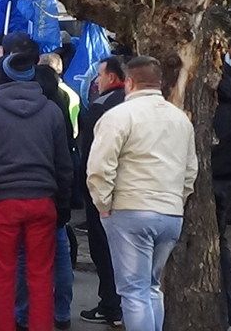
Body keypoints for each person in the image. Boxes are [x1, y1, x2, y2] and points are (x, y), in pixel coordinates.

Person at [87, 55, 197, 331]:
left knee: (133, 291)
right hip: (170, 210)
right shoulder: (180, 118)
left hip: (130, 208)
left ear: (129, 82)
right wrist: (177, 199)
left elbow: (100, 166)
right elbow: (190, 170)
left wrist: (103, 204)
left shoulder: (118, 116)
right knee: (151, 287)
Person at [0, 36, 72, 331]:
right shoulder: (52, 111)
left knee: (2, 274)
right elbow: (63, 165)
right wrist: (63, 206)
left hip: (2, 202)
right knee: (41, 275)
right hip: (43, 200)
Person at [77, 57, 127, 326]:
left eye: (100, 74)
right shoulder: (135, 104)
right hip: (133, 191)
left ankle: (111, 304)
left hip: (105, 192)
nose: (96, 80)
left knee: (105, 250)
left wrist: (91, 192)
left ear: (112, 76)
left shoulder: (101, 107)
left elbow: (91, 158)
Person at [212, 72, 231, 327]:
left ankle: (228, 309)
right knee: (221, 245)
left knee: (217, 247)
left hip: (214, 181)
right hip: (226, 179)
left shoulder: (215, 109)